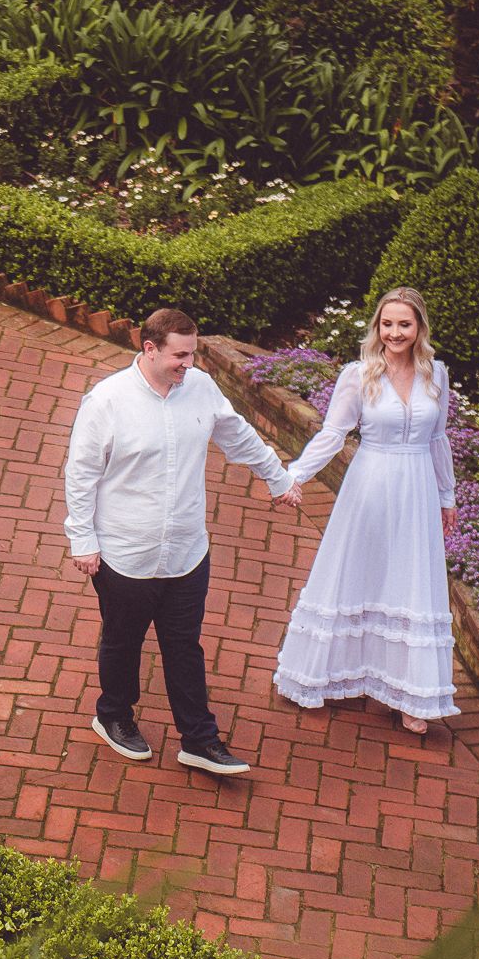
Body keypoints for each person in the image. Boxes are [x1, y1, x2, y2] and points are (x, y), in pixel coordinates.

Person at [64, 307, 302, 776]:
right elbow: (81, 474)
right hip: (125, 552)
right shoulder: (106, 401)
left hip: (188, 551)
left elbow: (238, 435)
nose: (188, 364)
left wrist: (277, 478)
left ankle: (199, 739)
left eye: (192, 354)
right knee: (123, 639)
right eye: (180, 355)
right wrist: (82, 540)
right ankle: (113, 715)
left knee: (184, 644)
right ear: (149, 349)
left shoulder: (201, 387)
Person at [273, 286, 459, 734]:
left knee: (410, 581)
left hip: (416, 488)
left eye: (404, 324)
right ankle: (322, 672)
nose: (395, 332)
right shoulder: (359, 375)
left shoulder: (437, 375)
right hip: (370, 484)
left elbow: (438, 439)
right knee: (356, 571)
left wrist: (447, 496)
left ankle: (413, 695)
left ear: (419, 329)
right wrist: (294, 474)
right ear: (377, 327)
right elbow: (333, 433)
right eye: (387, 324)